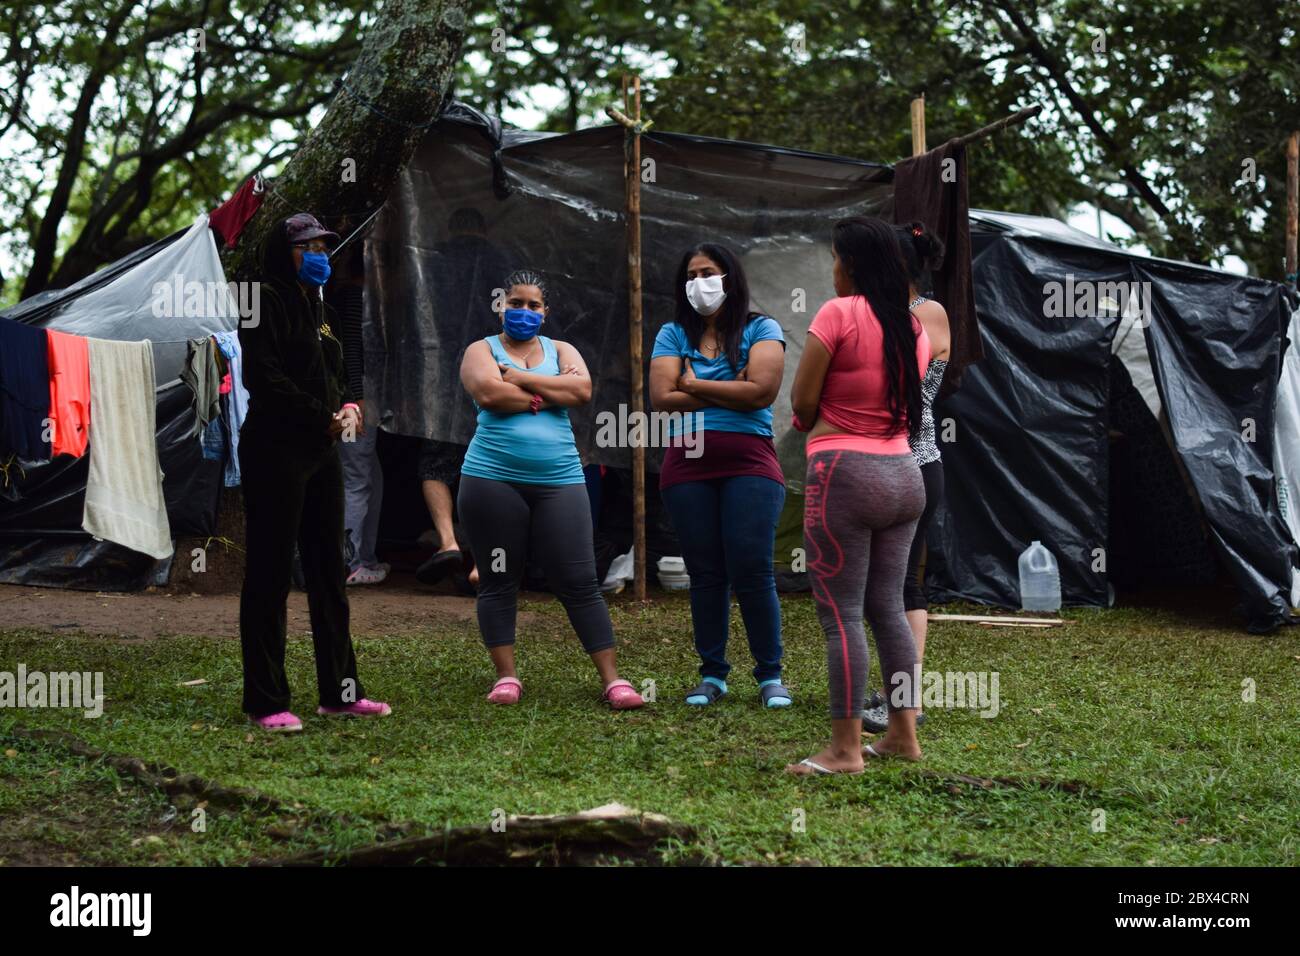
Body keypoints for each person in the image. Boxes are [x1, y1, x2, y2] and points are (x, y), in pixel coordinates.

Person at [457, 269, 644, 709]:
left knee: (579, 580)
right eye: (515, 303)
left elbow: (581, 390)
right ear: (501, 305)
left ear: (546, 312)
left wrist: (520, 380)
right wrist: (546, 395)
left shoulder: (562, 349)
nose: (523, 311)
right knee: (500, 578)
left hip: (560, 480)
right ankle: (507, 677)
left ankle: (613, 680)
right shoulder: (480, 350)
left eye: (533, 305)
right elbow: (488, 394)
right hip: (490, 478)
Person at [237, 212, 391, 732]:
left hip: (321, 451)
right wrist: (320, 415)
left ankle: (340, 693)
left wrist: (347, 403)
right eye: (307, 247)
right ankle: (266, 700)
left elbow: (331, 369)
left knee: (330, 571)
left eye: (324, 246)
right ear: (285, 253)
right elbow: (263, 377)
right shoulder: (261, 300)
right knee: (270, 575)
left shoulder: (318, 303)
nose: (318, 255)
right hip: (275, 449)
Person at [786, 216, 928, 774]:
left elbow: (801, 401)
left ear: (853, 263)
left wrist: (818, 420)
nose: (833, 268)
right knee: (888, 608)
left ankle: (845, 750)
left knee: (841, 615)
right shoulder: (911, 326)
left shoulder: (837, 313)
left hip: (845, 472)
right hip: (903, 474)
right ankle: (901, 736)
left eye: (836, 258)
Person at [649, 243, 791, 709]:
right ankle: (712, 675)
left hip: (749, 461)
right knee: (706, 573)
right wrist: (732, 386)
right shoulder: (672, 333)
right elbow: (661, 398)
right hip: (686, 464)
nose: (698, 283)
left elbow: (763, 393)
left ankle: (770, 676)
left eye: (707, 272)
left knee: (751, 566)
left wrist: (692, 383)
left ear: (730, 276)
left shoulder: (762, 326)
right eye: (690, 275)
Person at [861, 221, 950, 733]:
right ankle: (892, 689)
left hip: (915, 462)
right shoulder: (888, 316)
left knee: (903, 586)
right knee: (882, 586)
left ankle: (904, 700)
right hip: (882, 462)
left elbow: (900, 387)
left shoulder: (925, 312)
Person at [326, 232, 388, 586]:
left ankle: (364, 557)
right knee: (357, 477)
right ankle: (349, 563)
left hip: (356, 398)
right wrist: (358, 397)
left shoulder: (348, 295)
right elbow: (352, 349)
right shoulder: (354, 297)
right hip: (355, 402)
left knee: (368, 476)